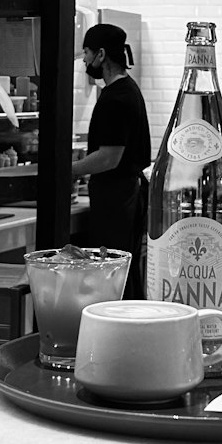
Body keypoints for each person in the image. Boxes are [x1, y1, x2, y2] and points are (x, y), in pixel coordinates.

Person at [71, 23, 151, 299]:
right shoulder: (127, 89)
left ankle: (120, 330)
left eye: (86, 52)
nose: (84, 60)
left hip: (117, 195)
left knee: (113, 271)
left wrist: (65, 172)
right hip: (126, 191)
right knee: (124, 270)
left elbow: (109, 157)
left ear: (101, 54)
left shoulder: (115, 98)